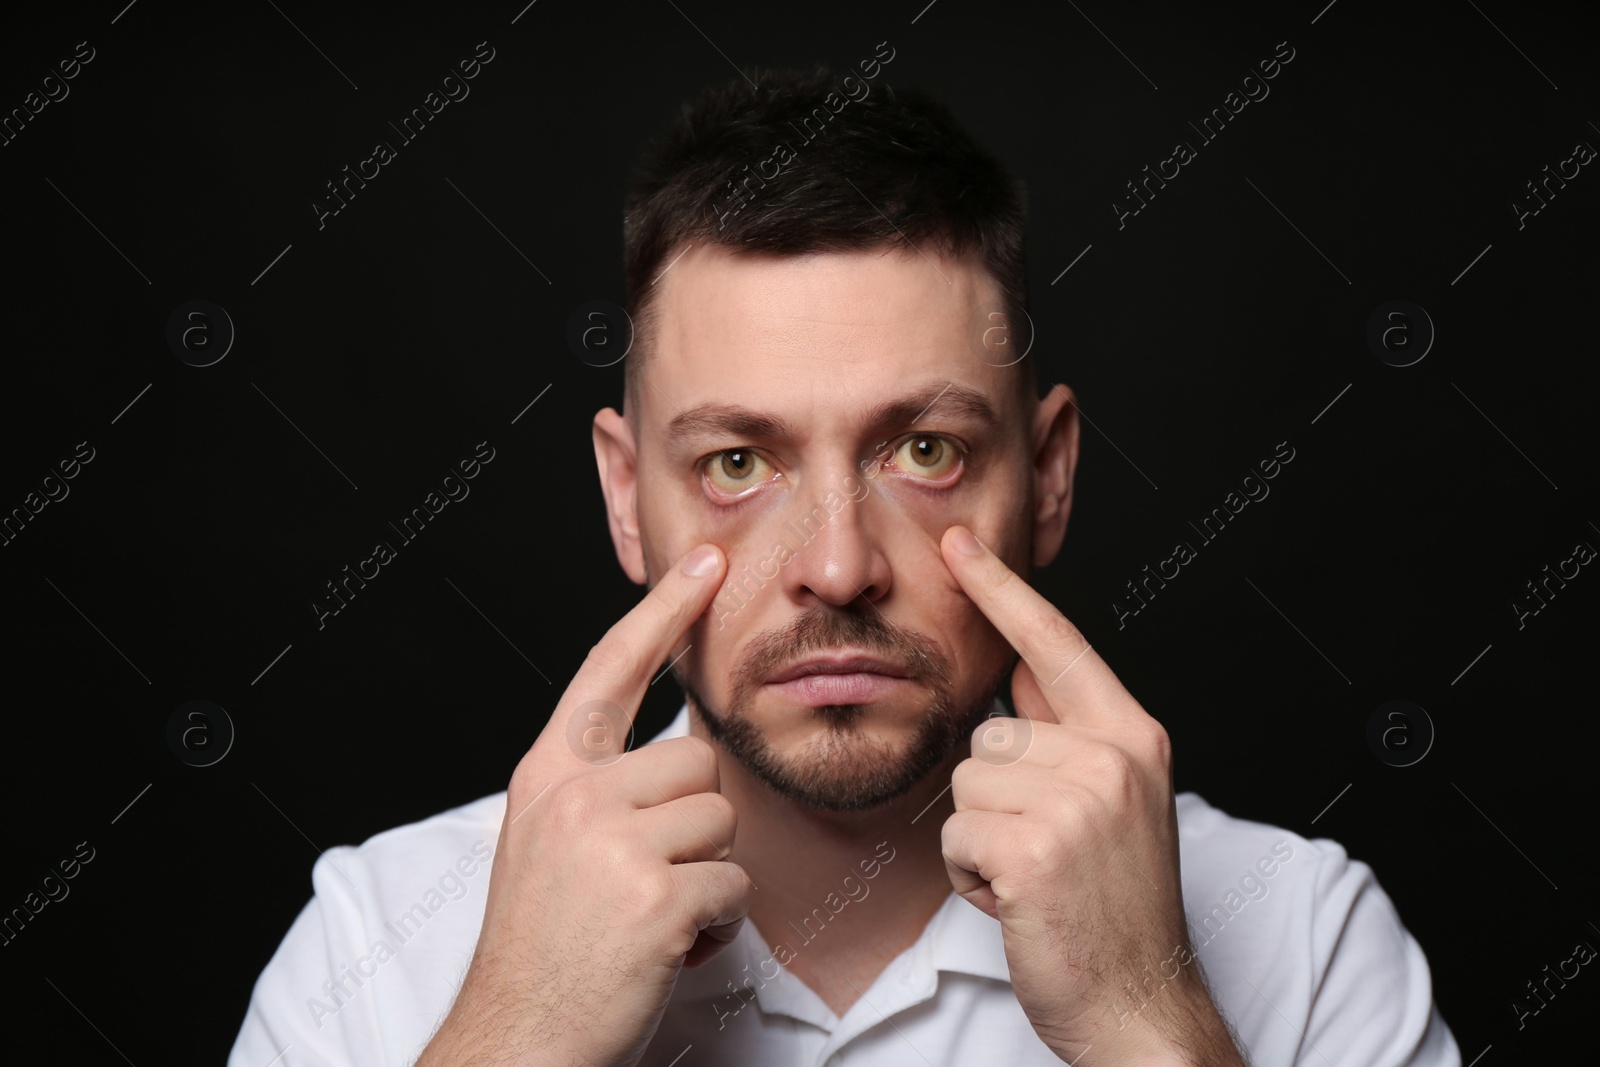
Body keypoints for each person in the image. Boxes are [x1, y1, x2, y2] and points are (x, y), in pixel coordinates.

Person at [229, 67, 1461, 1066]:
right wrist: (519, 1034)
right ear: (624, 497)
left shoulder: (1301, 934)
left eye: (923, 448)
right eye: (734, 463)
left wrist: (1148, 1017)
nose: (834, 563)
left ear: (1046, 478)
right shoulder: (382, 936)